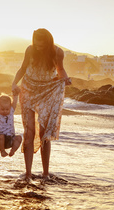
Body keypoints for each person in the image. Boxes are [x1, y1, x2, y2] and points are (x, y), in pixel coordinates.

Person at [12, 28, 72, 180]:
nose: (38, 47)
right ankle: (28, 173)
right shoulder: (30, 50)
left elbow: (60, 69)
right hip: (29, 90)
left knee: (44, 133)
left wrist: (65, 79)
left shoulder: (58, 52)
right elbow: (23, 68)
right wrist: (14, 83)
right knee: (29, 132)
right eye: (36, 44)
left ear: (48, 42)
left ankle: (45, 173)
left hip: (47, 91)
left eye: (41, 45)